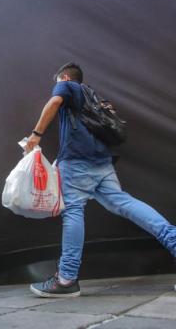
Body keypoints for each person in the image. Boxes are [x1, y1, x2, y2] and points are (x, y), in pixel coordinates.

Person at [26, 62, 176, 298]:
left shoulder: (68, 86)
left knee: (73, 211)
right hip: (102, 163)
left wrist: (36, 135)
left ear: (64, 77)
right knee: (125, 203)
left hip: (76, 162)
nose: (56, 88)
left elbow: (54, 102)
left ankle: (66, 279)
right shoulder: (95, 96)